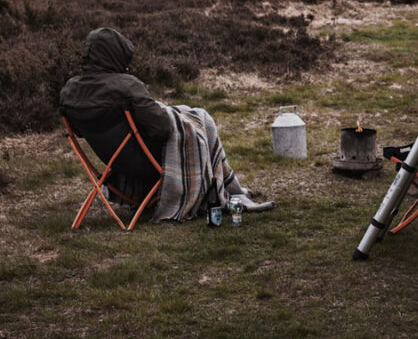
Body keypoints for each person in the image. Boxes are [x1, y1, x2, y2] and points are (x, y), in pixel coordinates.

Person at [60, 27, 274, 221]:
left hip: (116, 164)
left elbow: (77, 131)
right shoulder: (126, 86)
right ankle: (228, 189)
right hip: (147, 162)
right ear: (114, 55)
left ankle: (230, 186)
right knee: (199, 121)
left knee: (192, 115)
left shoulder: (69, 91)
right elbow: (162, 129)